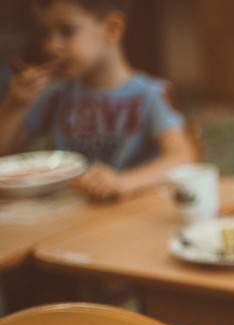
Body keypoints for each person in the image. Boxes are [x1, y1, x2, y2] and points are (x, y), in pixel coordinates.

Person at [0, 0, 196, 201]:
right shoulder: (55, 93)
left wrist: (123, 182)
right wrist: (15, 104)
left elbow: (183, 157)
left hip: (127, 214)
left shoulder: (152, 94)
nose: (52, 46)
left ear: (112, 28)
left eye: (66, 31)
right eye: (45, 33)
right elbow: (5, 154)